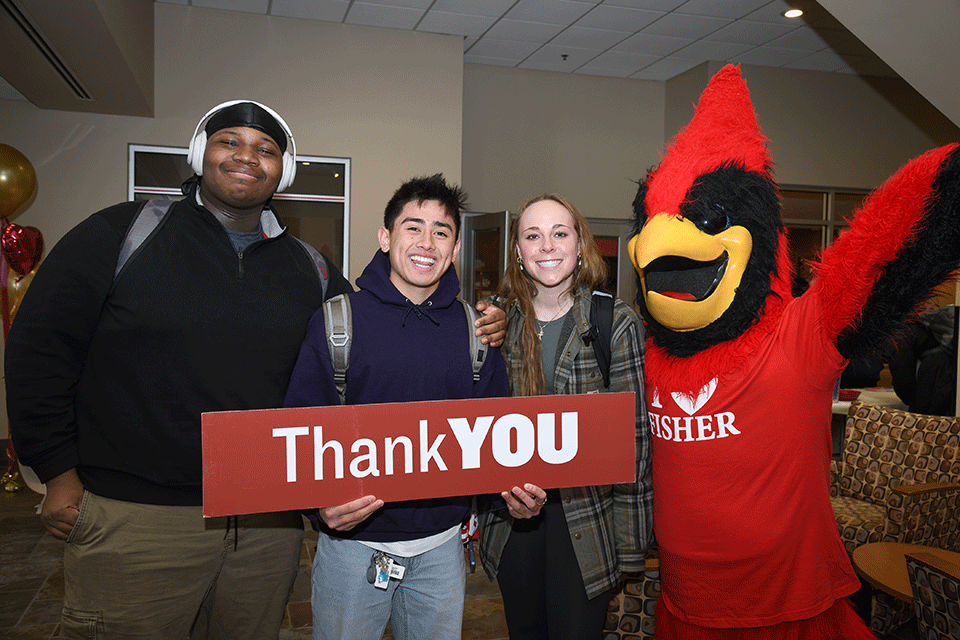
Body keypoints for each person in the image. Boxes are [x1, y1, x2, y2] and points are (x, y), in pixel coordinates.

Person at [5, 102, 505, 639]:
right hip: (140, 517)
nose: (247, 157)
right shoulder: (121, 234)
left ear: (282, 172)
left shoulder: (307, 269)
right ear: (200, 155)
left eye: (266, 149)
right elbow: (40, 347)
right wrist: (56, 470)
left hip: (265, 524)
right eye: (230, 142)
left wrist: (480, 321)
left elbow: (383, 329)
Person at [283, 174, 544, 640]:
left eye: (441, 231)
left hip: (441, 550)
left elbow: (494, 434)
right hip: (352, 550)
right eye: (413, 227)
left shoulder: (476, 330)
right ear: (385, 237)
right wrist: (316, 506)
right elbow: (299, 431)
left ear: (455, 247)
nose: (427, 242)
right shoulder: (337, 321)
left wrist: (512, 491)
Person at [477, 194, 654, 640]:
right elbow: (478, 423)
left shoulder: (615, 321)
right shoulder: (496, 325)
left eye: (560, 233)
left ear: (580, 245)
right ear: (518, 250)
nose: (547, 246)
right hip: (514, 520)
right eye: (533, 236)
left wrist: (631, 547)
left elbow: (633, 442)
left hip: (586, 521)